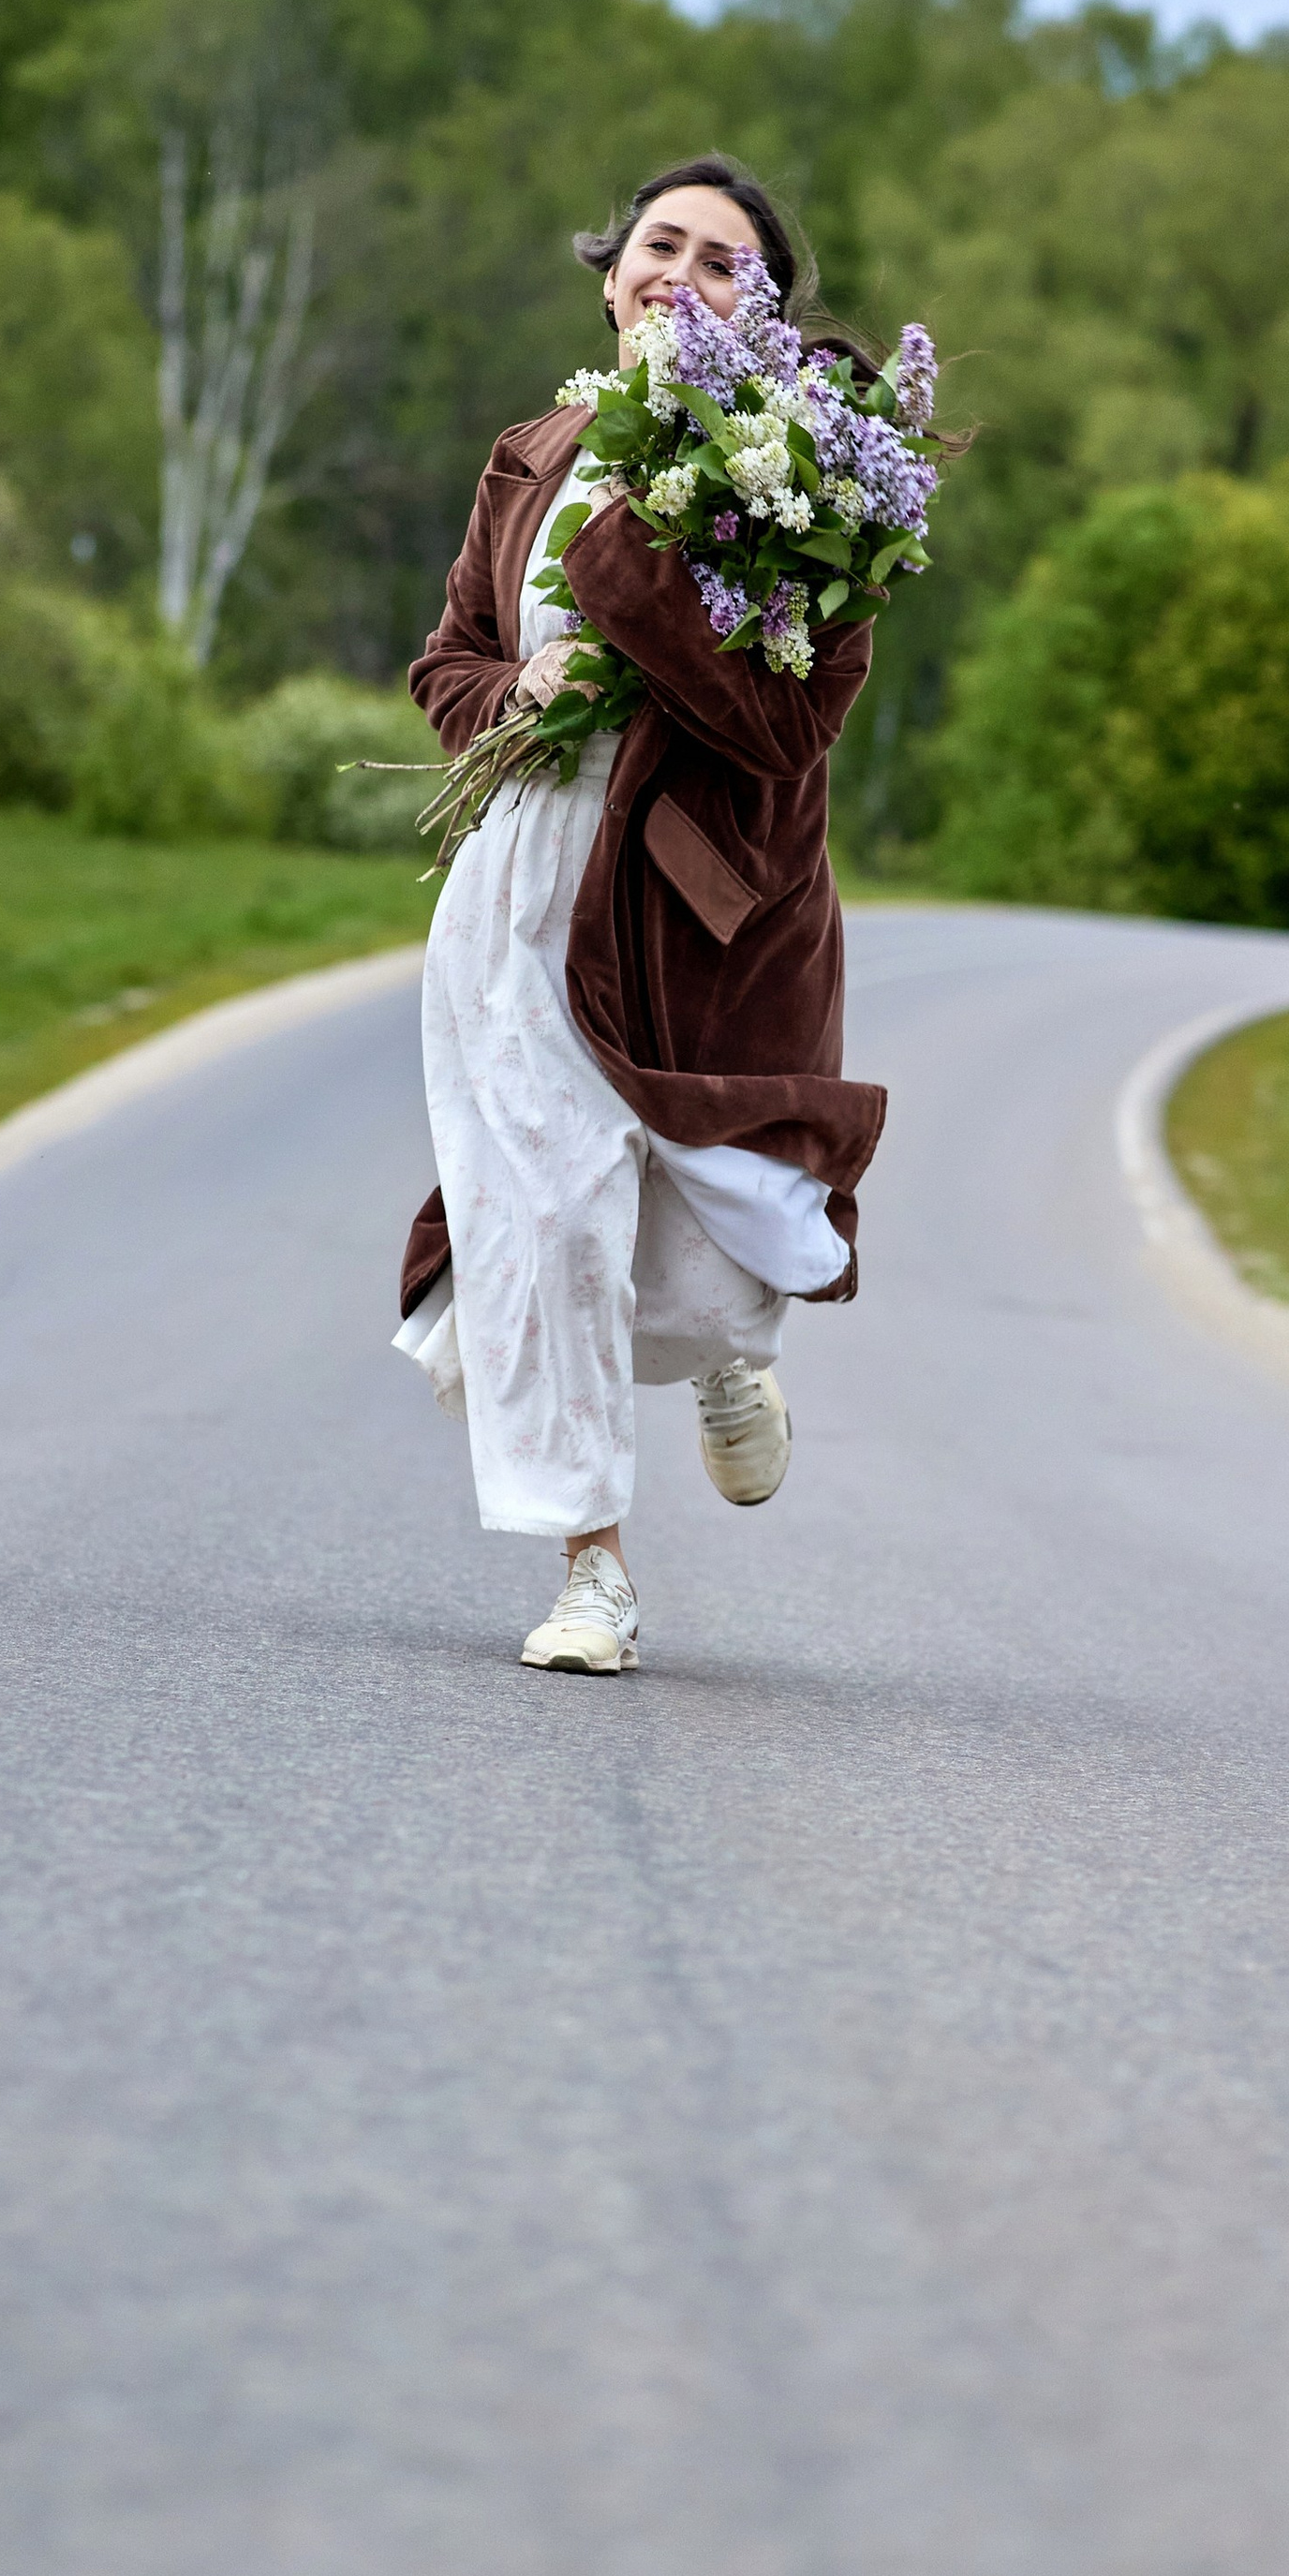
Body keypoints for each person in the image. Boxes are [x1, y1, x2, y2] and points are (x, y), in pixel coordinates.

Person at [393, 153, 886, 1674]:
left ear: (769, 311)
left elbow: (786, 727)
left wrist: (628, 573)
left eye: (723, 261)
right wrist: (517, 689)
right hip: (524, 885)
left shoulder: (811, 478)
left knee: (706, 1224)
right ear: (610, 279)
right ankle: (589, 1568)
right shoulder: (532, 452)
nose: (682, 273)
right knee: (548, 1215)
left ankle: (736, 1354)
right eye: (658, 246)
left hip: (696, 910)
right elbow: (446, 665)